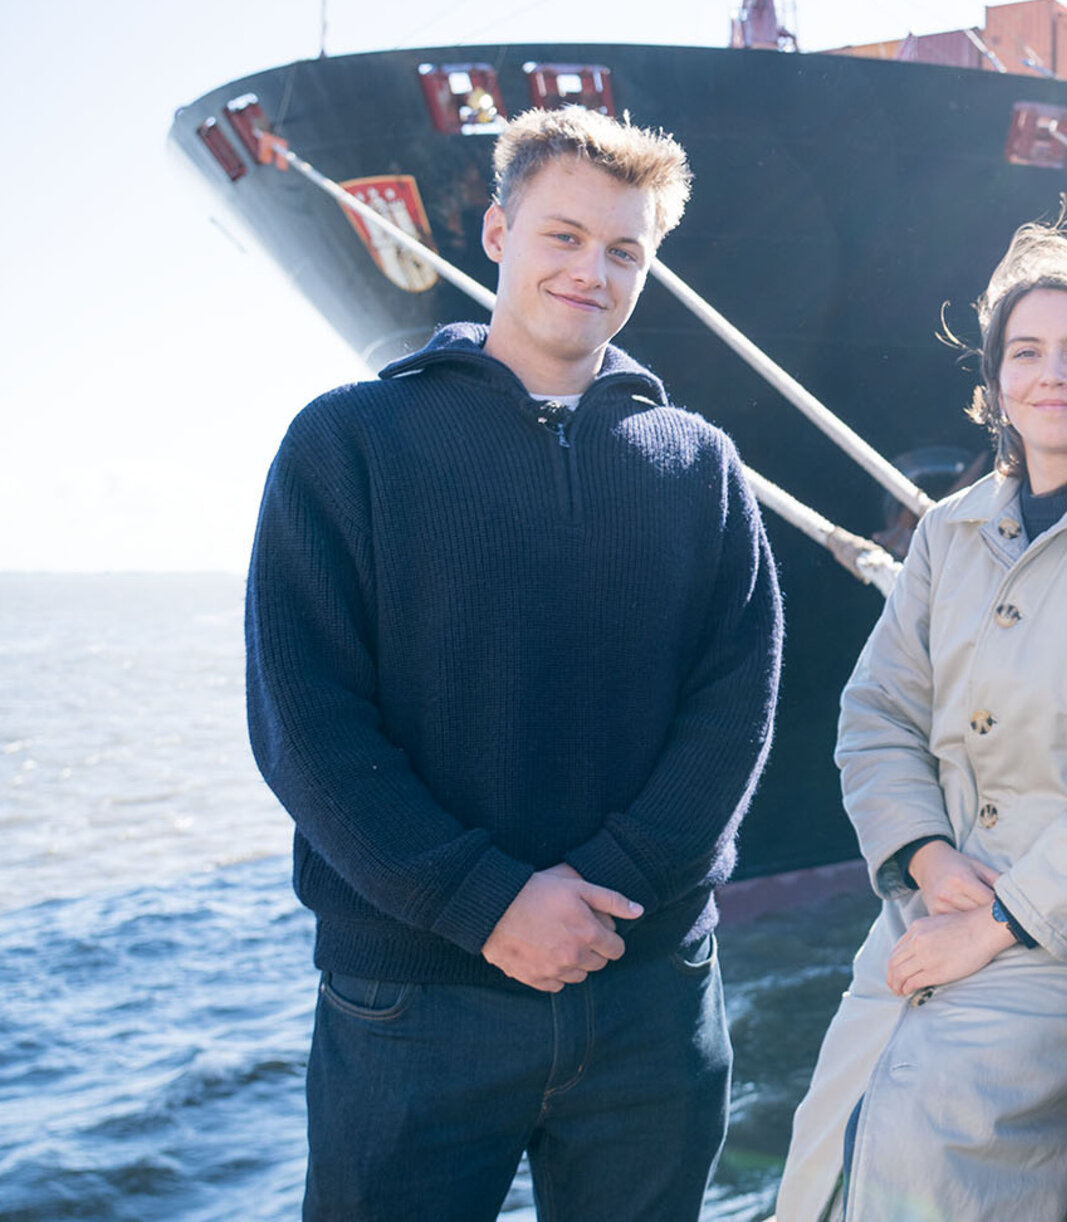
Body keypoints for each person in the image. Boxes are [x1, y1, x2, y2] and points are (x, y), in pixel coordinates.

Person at [245, 105, 783, 1221]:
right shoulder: (348, 444)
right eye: (565, 236)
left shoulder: (701, 468)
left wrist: (610, 892)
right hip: (413, 999)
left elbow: (736, 703)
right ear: (495, 233)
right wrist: (483, 902)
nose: (594, 270)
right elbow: (305, 718)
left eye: (626, 250)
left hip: (648, 997)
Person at [773, 224, 1067, 1222]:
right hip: (937, 895)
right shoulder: (951, 533)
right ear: (992, 388)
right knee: (831, 1135)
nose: (1053, 374)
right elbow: (878, 715)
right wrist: (926, 859)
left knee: (943, 1129)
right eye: (1026, 353)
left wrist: (1000, 920)